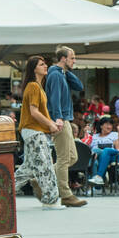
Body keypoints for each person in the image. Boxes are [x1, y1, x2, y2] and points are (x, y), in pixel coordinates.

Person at [43, 45, 87, 208]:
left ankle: (41, 178)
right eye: (72, 58)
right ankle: (66, 194)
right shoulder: (55, 75)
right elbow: (54, 98)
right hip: (61, 120)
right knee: (63, 158)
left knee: (72, 157)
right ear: (63, 59)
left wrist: (67, 71)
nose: (74, 61)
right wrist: (58, 118)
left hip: (65, 119)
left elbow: (79, 86)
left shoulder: (61, 73)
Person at [15, 55, 61, 208]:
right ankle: (50, 200)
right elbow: (33, 112)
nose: (45, 66)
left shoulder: (36, 86)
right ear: (34, 68)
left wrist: (51, 124)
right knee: (44, 165)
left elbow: (37, 113)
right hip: (33, 131)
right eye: (42, 64)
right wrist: (51, 125)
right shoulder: (34, 86)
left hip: (31, 131)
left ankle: (1, 193)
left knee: (29, 168)